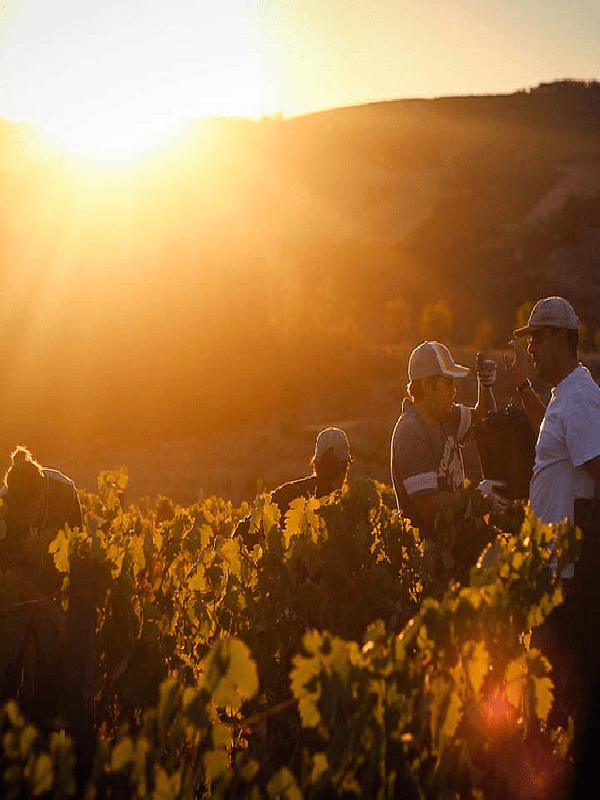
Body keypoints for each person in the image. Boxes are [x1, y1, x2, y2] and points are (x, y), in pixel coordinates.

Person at [506, 296, 600, 746]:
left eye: (537, 340)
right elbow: (559, 440)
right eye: (528, 342)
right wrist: (525, 388)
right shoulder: (566, 395)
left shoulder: (581, 398)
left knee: (550, 704)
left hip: (563, 577)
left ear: (563, 340)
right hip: (550, 571)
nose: (531, 350)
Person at [0, 446, 86, 729]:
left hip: (54, 582)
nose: (26, 518)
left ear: (42, 494)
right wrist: (45, 607)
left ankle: (44, 731)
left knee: (52, 662)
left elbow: (79, 553)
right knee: (8, 661)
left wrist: (63, 608)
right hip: (18, 595)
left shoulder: (64, 493)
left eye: (31, 510)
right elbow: (10, 572)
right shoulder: (4, 507)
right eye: (20, 512)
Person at [391, 340, 505, 540]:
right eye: (448, 382)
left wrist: (485, 386)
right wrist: (478, 498)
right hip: (432, 561)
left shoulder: (445, 417)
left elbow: (485, 423)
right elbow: (430, 507)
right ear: (427, 386)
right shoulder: (411, 433)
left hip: (456, 549)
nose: (454, 391)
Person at [234, 427, 352, 546]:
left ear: (315, 464)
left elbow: (241, 533)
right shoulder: (348, 511)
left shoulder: (287, 493)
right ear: (344, 468)